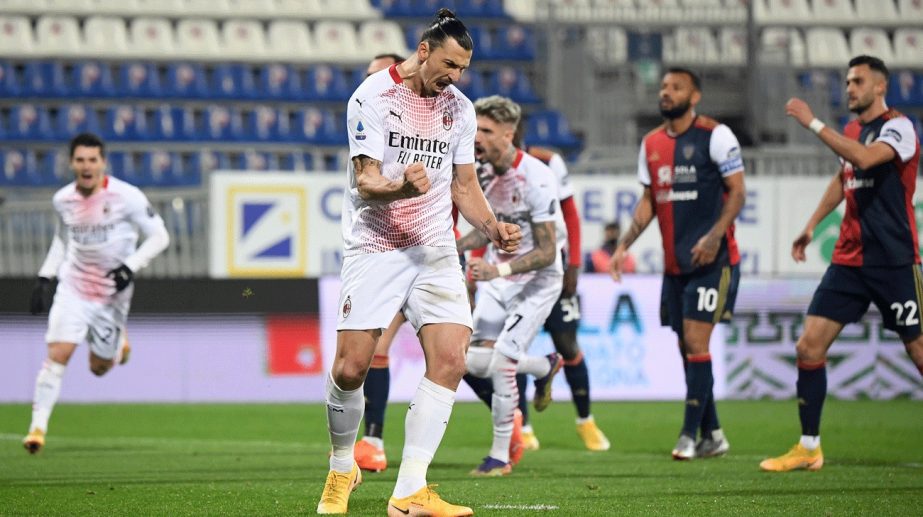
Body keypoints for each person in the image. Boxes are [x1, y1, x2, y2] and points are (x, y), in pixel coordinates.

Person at [316, 10, 521, 516]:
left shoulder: (460, 108)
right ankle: (343, 465)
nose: (455, 76)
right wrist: (402, 186)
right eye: (449, 64)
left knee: (450, 359)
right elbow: (365, 180)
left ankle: (409, 491)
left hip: (434, 248)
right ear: (424, 51)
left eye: (464, 68)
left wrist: (493, 227)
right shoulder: (371, 98)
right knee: (350, 369)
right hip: (377, 245)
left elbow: (464, 184)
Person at [760, 55, 923, 472]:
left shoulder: (898, 127)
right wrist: (812, 224)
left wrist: (812, 123)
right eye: (847, 81)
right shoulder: (853, 131)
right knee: (808, 347)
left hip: (893, 260)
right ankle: (809, 447)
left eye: (858, 81)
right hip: (849, 259)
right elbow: (844, 177)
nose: (849, 88)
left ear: (880, 87)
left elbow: (866, 160)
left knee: (919, 352)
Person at [609, 67, 745, 460]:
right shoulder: (651, 142)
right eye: (664, 87)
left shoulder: (715, 135)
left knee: (697, 341)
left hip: (714, 260)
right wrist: (622, 246)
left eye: (676, 87)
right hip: (675, 265)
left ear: (695, 95)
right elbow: (649, 201)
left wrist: (716, 234)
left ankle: (688, 436)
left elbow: (737, 193)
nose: (666, 93)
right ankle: (714, 433)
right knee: (686, 346)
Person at [23, 132, 170, 454]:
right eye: (80, 160)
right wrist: (45, 277)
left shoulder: (126, 196)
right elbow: (63, 239)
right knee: (58, 353)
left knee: (99, 368)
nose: (86, 166)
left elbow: (160, 237)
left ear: (103, 162)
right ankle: (37, 428)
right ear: (72, 163)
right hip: (74, 286)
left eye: (92, 160)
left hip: (110, 294)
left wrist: (130, 267)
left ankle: (119, 341)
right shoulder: (63, 199)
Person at [457, 95, 565, 476]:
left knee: (502, 361)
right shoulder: (484, 173)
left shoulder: (536, 176)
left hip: (538, 280)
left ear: (508, 133)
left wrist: (496, 273)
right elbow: (484, 232)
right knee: (466, 361)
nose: (478, 138)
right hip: (501, 277)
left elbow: (549, 252)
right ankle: (542, 366)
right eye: (476, 129)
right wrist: (451, 248)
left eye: (485, 131)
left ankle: (500, 456)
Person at [352, 52, 407, 474]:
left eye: (379, 77)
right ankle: (372, 441)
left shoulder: (420, 124)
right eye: (366, 78)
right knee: (370, 354)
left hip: (427, 254)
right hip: (380, 254)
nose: (369, 86)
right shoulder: (363, 133)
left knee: (458, 358)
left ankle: (507, 410)